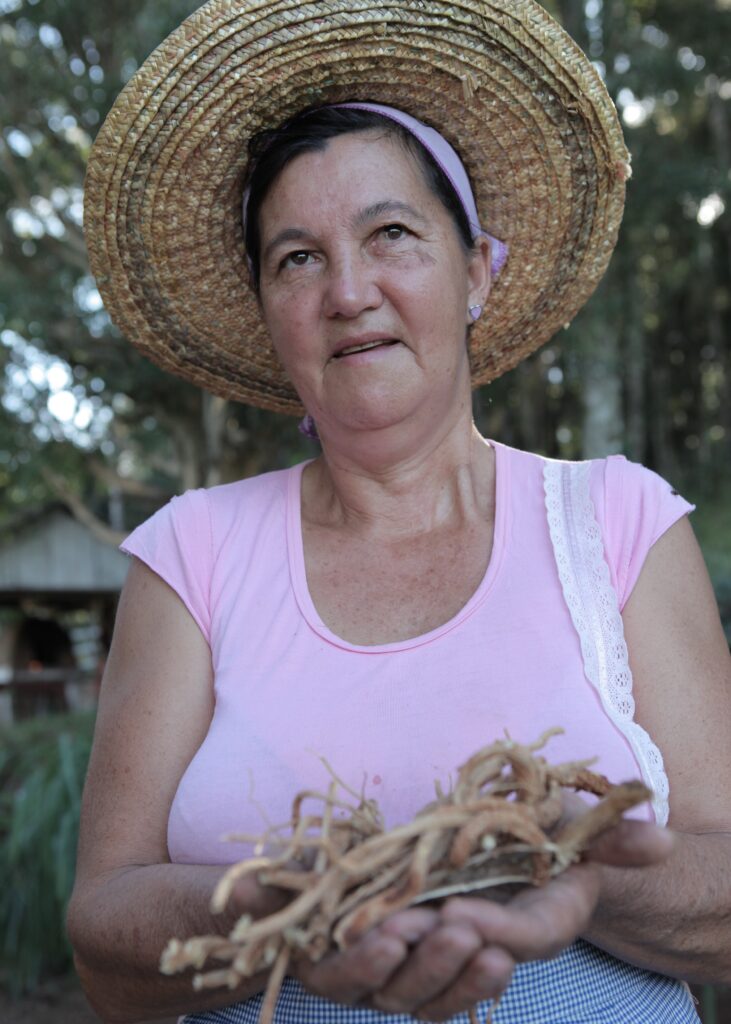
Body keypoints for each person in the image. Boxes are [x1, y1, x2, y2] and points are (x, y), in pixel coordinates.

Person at [67, 0, 731, 1021]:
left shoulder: (615, 522)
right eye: (297, 258)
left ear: (474, 270)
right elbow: (104, 939)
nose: (347, 291)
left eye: (391, 234)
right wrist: (293, 912)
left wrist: (573, 875)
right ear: (265, 309)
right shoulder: (191, 552)